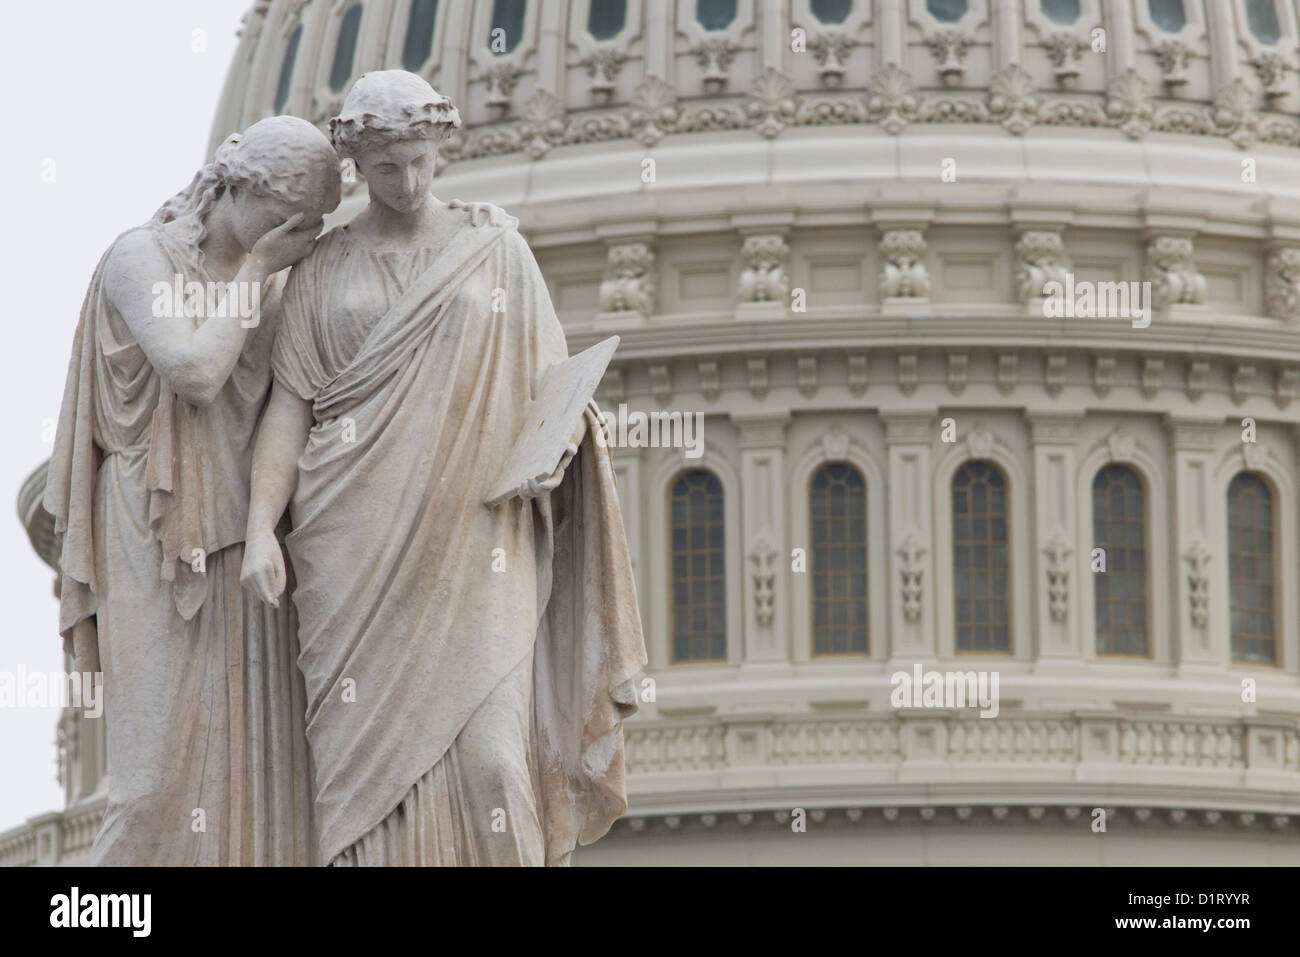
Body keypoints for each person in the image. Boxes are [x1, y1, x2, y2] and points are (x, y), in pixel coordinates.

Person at [240, 71, 647, 866]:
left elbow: (553, 389)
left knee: (495, 758)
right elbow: (288, 407)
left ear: (442, 150)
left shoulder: (495, 252)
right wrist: (260, 528)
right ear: (357, 165)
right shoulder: (323, 267)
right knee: (356, 791)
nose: (407, 181)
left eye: (420, 162)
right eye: (386, 167)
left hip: (478, 532)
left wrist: (559, 444)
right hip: (350, 545)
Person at [45, 116, 341, 865]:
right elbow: (195, 373)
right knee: (150, 785)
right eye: (287, 220)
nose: (296, 238)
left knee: (261, 775)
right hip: (153, 523)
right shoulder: (140, 257)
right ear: (238, 189)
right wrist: (256, 271)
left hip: (248, 532)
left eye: (308, 226)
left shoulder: (284, 281)